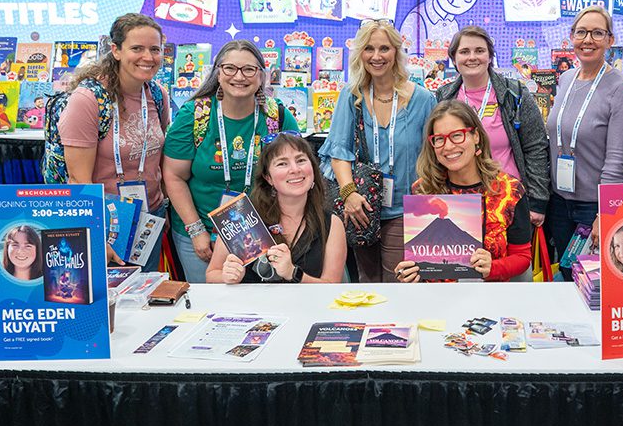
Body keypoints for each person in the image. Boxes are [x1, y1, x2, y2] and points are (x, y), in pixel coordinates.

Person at [163, 39, 299, 283]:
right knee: (209, 308)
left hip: (264, 234)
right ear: (217, 72)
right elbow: (174, 176)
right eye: (230, 68)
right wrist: (196, 231)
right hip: (201, 232)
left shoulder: (276, 116)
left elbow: (296, 174)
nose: (240, 76)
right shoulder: (195, 115)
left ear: (261, 76)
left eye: (249, 69)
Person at [319, 19, 436, 282]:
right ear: (360, 54)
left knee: (399, 283)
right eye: (369, 49)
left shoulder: (423, 100)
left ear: (396, 51)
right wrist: (349, 194)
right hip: (361, 209)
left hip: (408, 210)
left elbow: (433, 154)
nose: (377, 56)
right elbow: (338, 151)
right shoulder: (352, 96)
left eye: (384, 48)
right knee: (368, 284)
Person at [58, 13, 169, 271]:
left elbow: (158, 156)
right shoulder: (88, 100)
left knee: (145, 301)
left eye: (155, 49)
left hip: (149, 217)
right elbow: (78, 180)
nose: (148, 57)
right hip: (107, 223)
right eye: (137, 48)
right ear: (116, 50)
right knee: (112, 304)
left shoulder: (156, 94)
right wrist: (96, 235)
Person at [545, 5, 623, 280]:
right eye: (582, 32)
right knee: (566, 275)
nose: (588, 40)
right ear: (571, 36)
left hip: (595, 206)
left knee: (597, 284)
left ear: (610, 40)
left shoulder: (622, 89)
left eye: (598, 33)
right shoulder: (565, 79)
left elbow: (617, 161)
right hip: (561, 202)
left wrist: (605, 214)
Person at [395, 100, 531, 282]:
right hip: (437, 300)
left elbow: (522, 257)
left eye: (457, 135)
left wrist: (492, 268)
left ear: (476, 136)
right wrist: (409, 272)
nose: (449, 146)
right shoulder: (422, 190)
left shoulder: (509, 191)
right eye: (439, 139)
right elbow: (417, 255)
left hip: (490, 301)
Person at [436, 26, 550, 227]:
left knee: (512, 258)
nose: (472, 57)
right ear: (454, 59)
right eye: (464, 52)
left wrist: (538, 201)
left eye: (480, 51)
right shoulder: (444, 97)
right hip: (460, 201)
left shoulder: (515, 93)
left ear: (490, 57)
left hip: (509, 198)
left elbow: (536, 147)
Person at [207, 134, 346, 284]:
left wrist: (294, 273)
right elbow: (211, 275)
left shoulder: (332, 223)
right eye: (282, 164)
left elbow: (332, 287)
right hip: (251, 306)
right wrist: (227, 276)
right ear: (268, 178)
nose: (295, 169)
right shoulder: (242, 217)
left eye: (300, 160)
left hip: (305, 307)